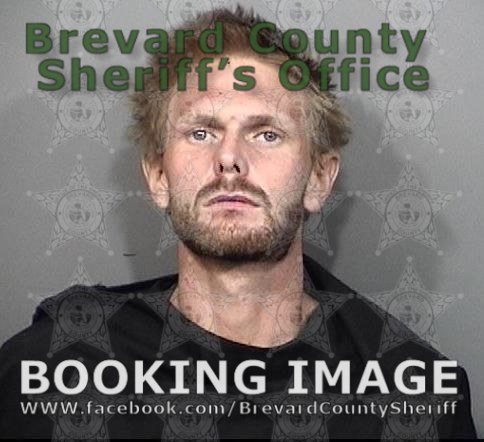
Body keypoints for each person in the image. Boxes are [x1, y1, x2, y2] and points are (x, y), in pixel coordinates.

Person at [0, 5, 477, 440]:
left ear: (318, 178)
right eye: (201, 132)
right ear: (159, 176)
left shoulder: (415, 395)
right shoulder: (51, 369)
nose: (229, 158)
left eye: (266, 134)